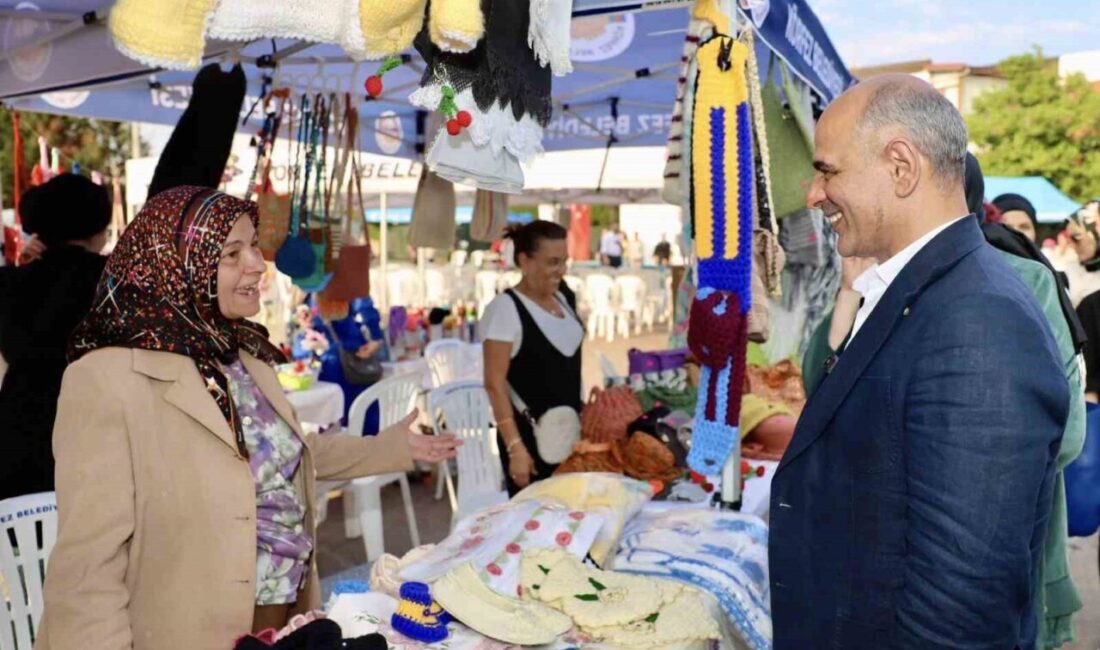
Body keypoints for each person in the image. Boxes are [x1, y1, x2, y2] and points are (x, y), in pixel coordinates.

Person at [36, 187, 460, 649]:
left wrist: (391, 448)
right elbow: (87, 567)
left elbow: (280, 454)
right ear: (178, 266)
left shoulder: (243, 355)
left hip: (280, 616)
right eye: (232, 253)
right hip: (181, 630)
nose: (258, 264)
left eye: (254, 245)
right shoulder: (107, 378)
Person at [770, 75, 1069, 649]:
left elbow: (961, 611)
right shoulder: (918, 289)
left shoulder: (978, 321)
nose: (812, 193)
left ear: (901, 166)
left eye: (828, 170)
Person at [0, 173, 111, 500]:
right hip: (94, 433)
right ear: (99, 228)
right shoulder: (114, 282)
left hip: (18, 433)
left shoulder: (9, 283)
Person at [481, 221, 583, 495]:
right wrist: (515, 448)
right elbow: (494, 383)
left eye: (564, 261)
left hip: (571, 437)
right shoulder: (505, 309)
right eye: (552, 262)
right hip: (531, 444)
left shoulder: (564, 298)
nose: (560, 271)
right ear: (524, 261)